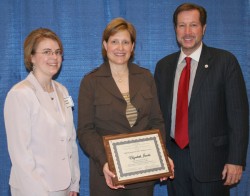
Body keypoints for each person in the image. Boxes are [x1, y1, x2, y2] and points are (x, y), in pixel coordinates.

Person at [154, 3, 249, 196]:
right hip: (174, 161)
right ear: (175, 29)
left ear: (204, 29)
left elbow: (239, 116)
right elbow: (158, 116)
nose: (187, 32)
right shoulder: (163, 66)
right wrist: (158, 157)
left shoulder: (225, 62)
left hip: (213, 162)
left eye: (193, 25)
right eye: (181, 25)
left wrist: (236, 160)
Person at [77, 17, 174, 196]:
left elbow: (156, 121)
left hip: (143, 174)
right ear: (105, 45)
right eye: (114, 42)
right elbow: (85, 130)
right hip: (107, 175)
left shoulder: (145, 78)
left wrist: (162, 156)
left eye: (125, 42)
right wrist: (106, 162)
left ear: (132, 46)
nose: (120, 48)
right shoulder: (91, 82)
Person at [4, 28, 80, 196]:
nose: (54, 57)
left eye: (57, 52)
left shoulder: (63, 91)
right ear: (31, 57)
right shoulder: (19, 95)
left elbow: (70, 140)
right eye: (47, 52)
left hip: (65, 187)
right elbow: (20, 155)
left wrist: (74, 183)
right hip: (33, 189)